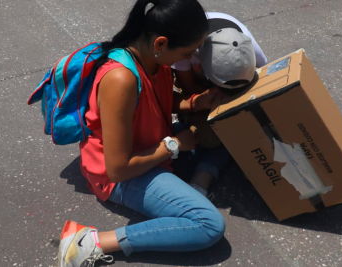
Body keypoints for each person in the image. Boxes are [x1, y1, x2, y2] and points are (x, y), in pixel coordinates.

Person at [56, 0, 226, 266]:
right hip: (120, 173)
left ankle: (196, 187)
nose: (189, 60)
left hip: (153, 146)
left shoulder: (155, 59)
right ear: (160, 43)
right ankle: (91, 242)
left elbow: (156, 98)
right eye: (186, 53)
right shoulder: (120, 79)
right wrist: (173, 145)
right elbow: (118, 169)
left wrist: (195, 103)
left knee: (227, 129)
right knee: (209, 225)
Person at [171, 12, 268, 199]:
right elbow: (188, 88)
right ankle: (202, 172)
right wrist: (206, 100)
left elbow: (263, 79)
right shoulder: (185, 50)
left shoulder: (249, 48)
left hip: (219, 96)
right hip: (199, 98)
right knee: (213, 137)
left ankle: (202, 174)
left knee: (240, 128)